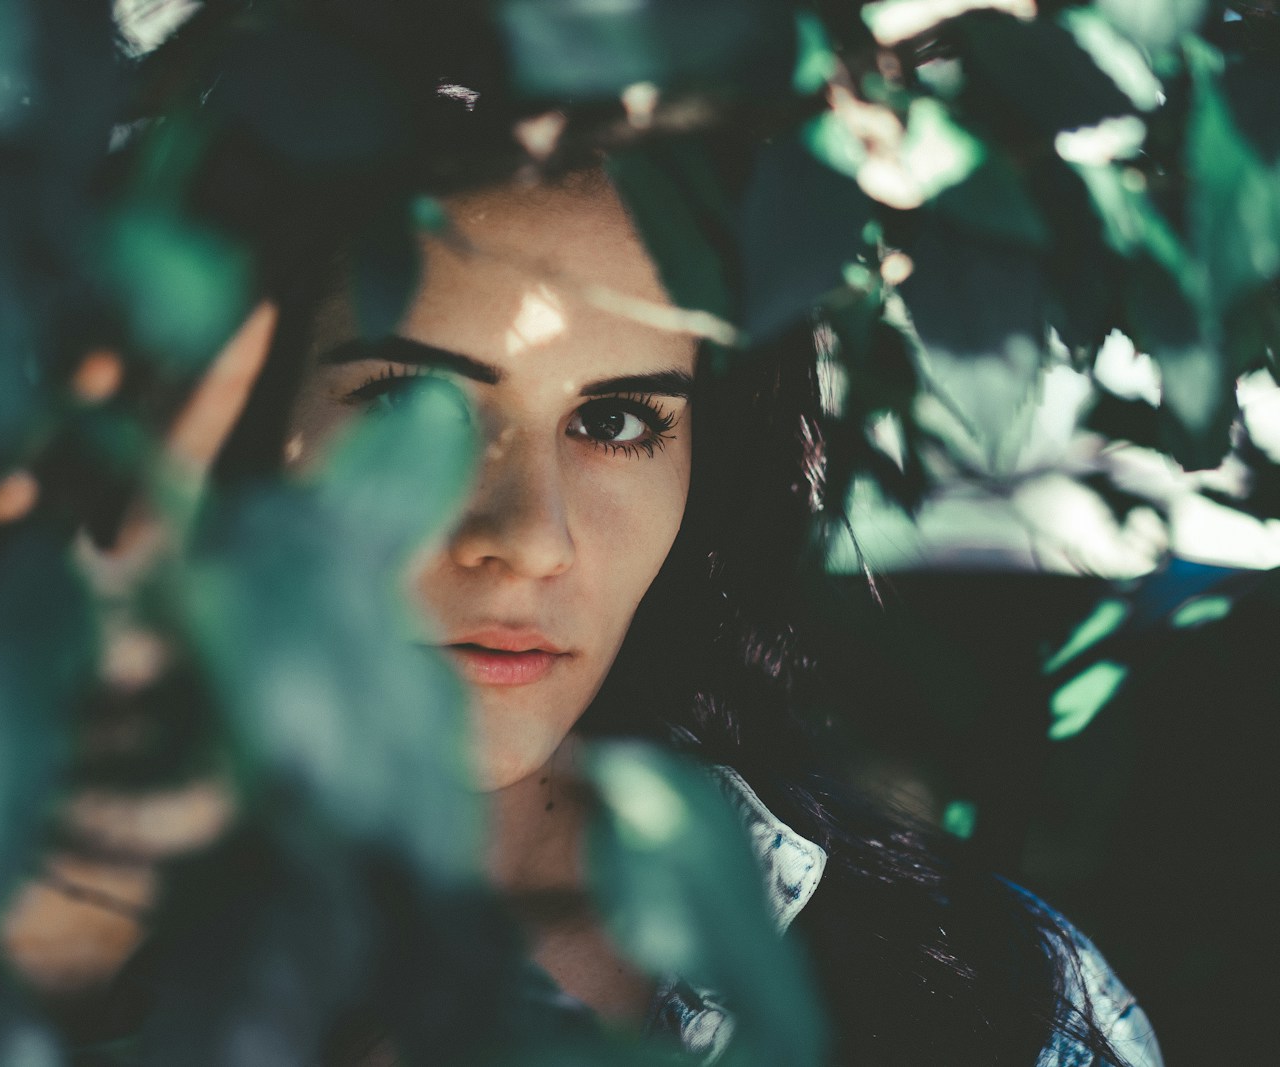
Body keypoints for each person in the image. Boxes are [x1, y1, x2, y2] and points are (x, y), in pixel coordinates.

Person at [207, 163, 1164, 1067]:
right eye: (411, 403)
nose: (531, 539)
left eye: (615, 421)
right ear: (230, 425)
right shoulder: (77, 955)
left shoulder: (998, 1000)